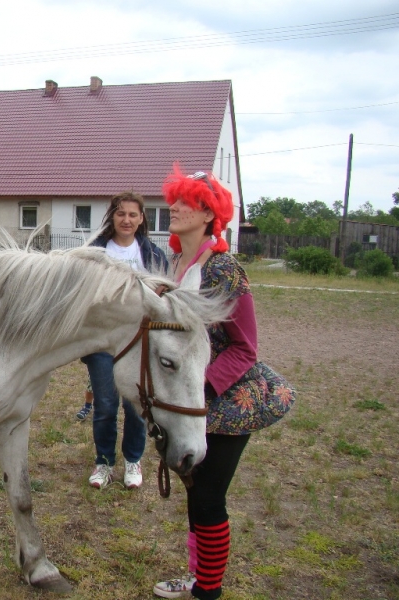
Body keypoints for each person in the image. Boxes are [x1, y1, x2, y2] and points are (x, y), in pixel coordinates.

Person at [153, 168, 295, 599]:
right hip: (188, 396)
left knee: (210, 498)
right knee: (196, 496)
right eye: (175, 199)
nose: (174, 207)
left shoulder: (225, 267)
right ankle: (199, 577)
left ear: (209, 214)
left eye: (187, 202)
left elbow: (245, 347)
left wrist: (203, 387)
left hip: (228, 399)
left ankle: (207, 590)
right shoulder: (173, 263)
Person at [80, 191, 167, 489]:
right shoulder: (94, 251)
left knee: (135, 406)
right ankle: (103, 463)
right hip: (103, 343)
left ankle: (133, 460)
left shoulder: (154, 255)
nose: (126, 220)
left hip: (139, 344)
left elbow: (164, 300)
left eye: (132, 214)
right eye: (120, 213)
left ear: (142, 218)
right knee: (105, 405)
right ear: (112, 217)